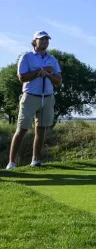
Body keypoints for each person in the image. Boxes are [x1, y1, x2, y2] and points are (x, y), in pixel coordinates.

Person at [6, 30, 62, 170]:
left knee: (41, 130)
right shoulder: (27, 57)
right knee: (22, 129)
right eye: (41, 39)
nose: (44, 42)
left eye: (46, 39)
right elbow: (22, 78)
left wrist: (48, 74)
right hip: (30, 96)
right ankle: (12, 162)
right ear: (34, 42)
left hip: (47, 97)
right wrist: (40, 70)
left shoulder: (52, 59)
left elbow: (58, 81)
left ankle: (35, 160)